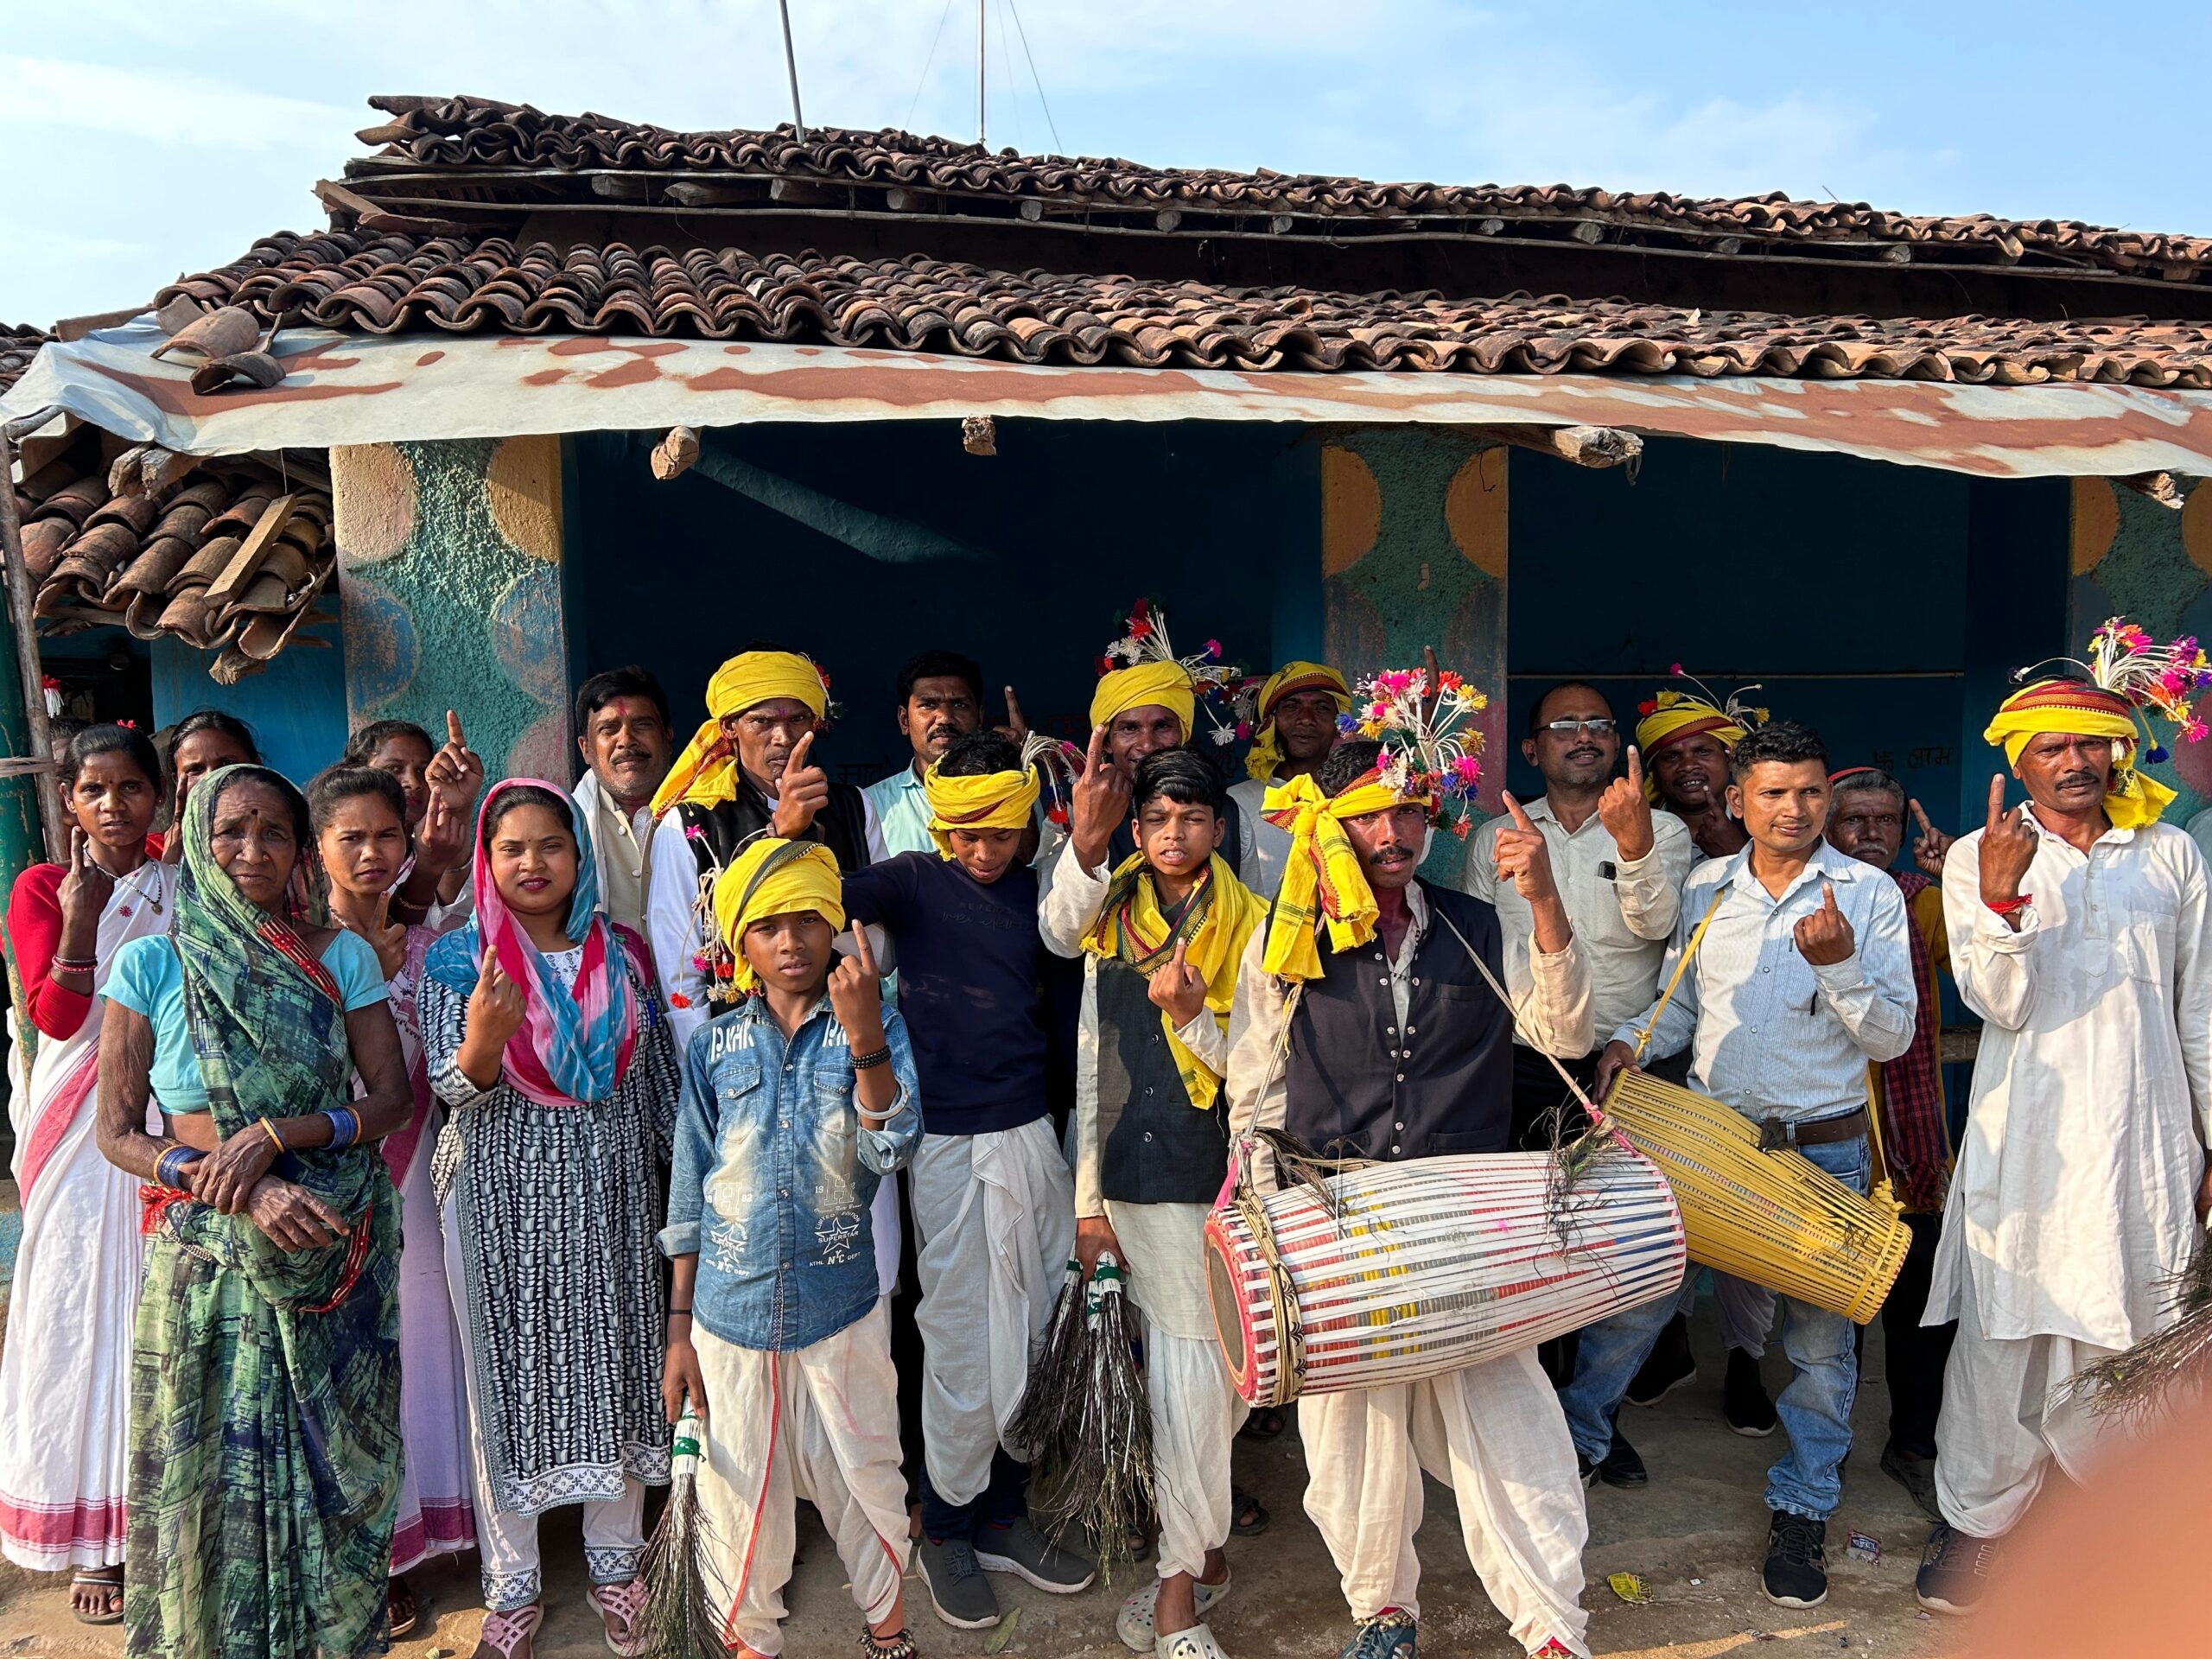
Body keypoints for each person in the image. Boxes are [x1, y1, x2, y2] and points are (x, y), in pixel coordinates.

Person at [1224, 734, 1596, 1659]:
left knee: (1512, 1424)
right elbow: (1256, 1085)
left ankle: (1551, 1625)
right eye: (1367, 817)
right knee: (1352, 1441)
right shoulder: (1289, 934)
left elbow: (1562, 1036)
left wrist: (1545, 900)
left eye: (1406, 812)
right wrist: (1262, 1223)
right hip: (1336, 1220)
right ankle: (1383, 1611)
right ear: (1328, 826)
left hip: (1465, 1218)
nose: (1391, 834)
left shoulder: (1478, 925)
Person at [1573, 721, 1916, 1611]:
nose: (1794, 809)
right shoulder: (1707, 885)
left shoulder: (1869, 894)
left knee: (1819, 1347)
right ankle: (1577, 1443)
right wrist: (1631, 1042)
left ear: (1826, 798)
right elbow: (1683, 1002)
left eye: (1810, 792)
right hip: (1708, 1144)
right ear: (1738, 801)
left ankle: (1803, 1506)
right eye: (1773, 793)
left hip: (1821, 1153)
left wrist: (1839, 968)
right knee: (1633, 1303)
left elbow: (1892, 1036)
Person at [93, 762, 410, 1659]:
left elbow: (389, 1100)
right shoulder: (152, 963)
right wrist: (234, 1181)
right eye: (230, 830)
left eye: (274, 832)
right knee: (210, 1475)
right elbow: (117, 1133)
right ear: (197, 842)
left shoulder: (340, 956)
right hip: (208, 1258)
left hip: (330, 1244)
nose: (252, 849)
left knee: (334, 1471)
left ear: (301, 850)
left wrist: (278, 1135)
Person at [1916, 677, 2212, 1617]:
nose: (2075, 762)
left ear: (2118, 752)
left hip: (2143, 1144)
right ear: (2019, 761)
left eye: (2091, 745)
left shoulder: (2168, 853)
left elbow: (2200, 1009)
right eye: (2051, 748)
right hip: (2030, 1144)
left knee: (2140, 1330)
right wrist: (2004, 896)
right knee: (2003, 1337)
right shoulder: (1978, 855)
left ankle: (2119, 1525)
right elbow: (1997, 1003)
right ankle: (1976, 1522)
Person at [842, 730, 1096, 1628]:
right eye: (966, 835)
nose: (982, 851)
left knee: (1032, 1325)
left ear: (1025, 827)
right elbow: (822, 899)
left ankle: (1003, 1515)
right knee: (956, 1340)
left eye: (999, 834)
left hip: (1031, 1133)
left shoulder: (1041, 891)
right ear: (940, 829)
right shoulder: (912, 880)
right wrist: (789, 831)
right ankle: (946, 1524)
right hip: (945, 1145)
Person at [420, 782, 678, 1657]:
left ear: (578, 857)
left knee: (619, 1365)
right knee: (505, 1381)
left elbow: (658, 1086)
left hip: (614, 1198)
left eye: (551, 846)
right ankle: (512, 1586)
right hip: (500, 1202)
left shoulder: (624, 955)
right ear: (487, 861)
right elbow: (447, 1090)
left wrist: (690, 1191)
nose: (533, 863)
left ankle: (617, 1564)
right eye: (512, 849)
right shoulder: (462, 960)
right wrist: (484, 1041)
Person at [660, 838, 923, 1659]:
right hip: (728, 1311)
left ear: (834, 927)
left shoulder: (876, 1023)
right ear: (741, 942)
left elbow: (893, 1146)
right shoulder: (713, 1045)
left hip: (839, 1300)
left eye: (808, 920)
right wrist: (677, 1330)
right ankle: (751, 1642)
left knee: (865, 1471)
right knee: (737, 1489)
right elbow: (690, 1190)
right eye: (769, 926)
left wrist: (864, 1033)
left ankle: (888, 1633)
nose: (791, 942)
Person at [1041, 742, 1270, 1659]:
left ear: (1219, 828)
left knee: (1203, 1390)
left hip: (1214, 1179)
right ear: (1137, 830)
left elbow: (1261, 1075)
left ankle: (1185, 1575)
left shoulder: (1255, 926)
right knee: (1191, 1387)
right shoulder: (1110, 913)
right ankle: (1193, 1568)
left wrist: (1191, 1018)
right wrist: (1087, 1202)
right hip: (1128, 1179)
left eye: (1193, 818)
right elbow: (1089, 1056)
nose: (1175, 834)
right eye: (1159, 819)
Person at [1462, 682, 1693, 1472]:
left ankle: (1592, 1414)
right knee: (1531, 1241)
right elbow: (1476, 947)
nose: (1584, 736)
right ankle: (1533, 1420)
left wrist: (1633, 846)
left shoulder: (1662, 829)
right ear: (1533, 748)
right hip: (1522, 1063)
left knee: (1619, 1248)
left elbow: (1658, 925)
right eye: (1565, 725)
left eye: (1598, 724)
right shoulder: (1496, 836)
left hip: (1624, 1064)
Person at [0, 726, 170, 1621]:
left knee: (155, 1316)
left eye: (130, 787)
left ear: (157, 796)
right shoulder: (41, 886)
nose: (113, 805)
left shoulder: (179, 878)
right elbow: (59, 1020)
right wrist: (80, 912)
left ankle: (160, 1523)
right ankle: (90, 1544)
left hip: (164, 1122)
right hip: (79, 1129)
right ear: (68, 800)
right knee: (78, 1314)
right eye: (94, 790)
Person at [311, 766, 477, 1635]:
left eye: (387, 836)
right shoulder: (299, 950)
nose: (372, 853)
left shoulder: (432, 944)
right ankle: (373, 1553)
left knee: (424, 1344)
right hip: (340, 1182)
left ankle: (436, 1529)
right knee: (356, 1362)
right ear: (319, 849)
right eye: (352, 838)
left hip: (426, 1179)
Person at [1620, 681, 1777, 1433]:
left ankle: (1746, 1359)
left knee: (1751, 1218)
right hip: (1658, 1044)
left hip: (1749, 1056)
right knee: (1671, 1212)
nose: (1687, 765)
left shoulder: (1776, 837)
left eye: (1704, 751)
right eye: (1670, 756)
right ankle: (1672, 1342)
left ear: (1733, 763)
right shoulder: (1645, 832)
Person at [1823, 766, 1958, 1521]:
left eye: (1885, 821)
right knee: (1831, 1312)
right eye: (1855, 820)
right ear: (1827, 826)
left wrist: (1959, 883)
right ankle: (1826, 1447)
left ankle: (1912, 1442)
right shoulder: (1804, 898)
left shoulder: (1922, 901)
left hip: (1909, 1153)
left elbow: (1974, 959)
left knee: (1919, 1307)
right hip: (1830, 1140)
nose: (1871, 833)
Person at [648, 647, 887, 1044]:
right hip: (741, 1045)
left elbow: (882, 950)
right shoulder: (690, 822)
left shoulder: (853, 807)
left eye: (797, 720)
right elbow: (679, 965)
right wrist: (699, 1059)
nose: (783, 737)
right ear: (730, 728)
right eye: (761, 721)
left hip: (844, 1037)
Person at [1226, 661, 1348, 899]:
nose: (1306, 719)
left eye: (1321, 708)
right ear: (1270, 723)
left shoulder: (1357, 798)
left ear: (1339, 724)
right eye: (1292, 707)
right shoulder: (1234, 802)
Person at [346, 714, 487, 918]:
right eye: (394, 769)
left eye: (422, 770)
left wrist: (458, 808)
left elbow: (450, 920)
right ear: (358, 775)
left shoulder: (426, 851)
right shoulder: (335, 853)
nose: (413, 783)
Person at [570, 666, 677, 938]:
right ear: (585, 749)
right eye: (609, 729)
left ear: (668, 737)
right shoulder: (565, 824)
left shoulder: (709, 812)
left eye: (642, 725)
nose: (626, 740)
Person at [866, 649, 998, 857]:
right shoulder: (871, 805)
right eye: (928, 705)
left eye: (959, 704)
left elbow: (1032, 866)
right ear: (904, 720)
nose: (945, 717)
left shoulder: (1012, 788)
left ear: (980, 718)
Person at [156, 708, 259, 863]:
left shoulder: (285, 839)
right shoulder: (151, 853)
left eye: (226, 763)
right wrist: (171, 860)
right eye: (195, 769)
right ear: (177, 781)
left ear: (256, 767)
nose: (211, 778)